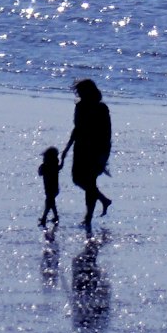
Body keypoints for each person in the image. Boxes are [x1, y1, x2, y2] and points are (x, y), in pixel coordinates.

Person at [60, 79, 112, 229]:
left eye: (82, 91)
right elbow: (76, 129)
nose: (79, 93)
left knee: (89, 182)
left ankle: (88, 216)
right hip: (80, 146)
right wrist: (66, 150)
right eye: (78, 91)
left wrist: (104, 153)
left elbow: (107, 132)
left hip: (96, 148)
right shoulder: (80, 106)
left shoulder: (101, 108)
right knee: (78, 179)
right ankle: (103, 200)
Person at [38, 145, 61, 227]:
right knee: (51, 203)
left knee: (48, 203)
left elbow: (40, 173)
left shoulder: (48, 166)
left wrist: (42, 167)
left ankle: (44, 218)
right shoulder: (54, 166)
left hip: (51, 189)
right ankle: (56, 217)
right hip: (53, 189)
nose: (43, 159)